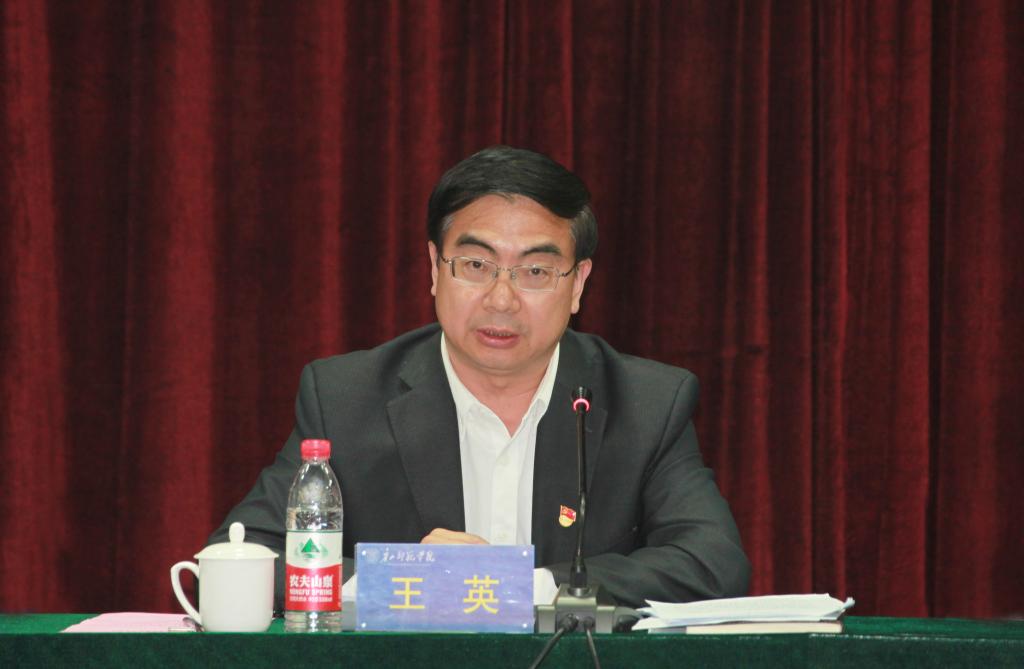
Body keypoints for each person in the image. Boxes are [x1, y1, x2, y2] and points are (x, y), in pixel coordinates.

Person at [209, 146, 750, 609]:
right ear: (434, 268)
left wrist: (520, 587)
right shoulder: (347, 398)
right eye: (475, 265)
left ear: (578, 283)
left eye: (535, 271)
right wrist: (406, 581)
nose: (501, 299)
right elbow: (242, 555)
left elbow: (712, 563)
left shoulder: (647, 403)